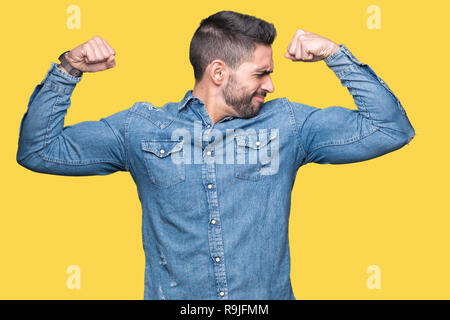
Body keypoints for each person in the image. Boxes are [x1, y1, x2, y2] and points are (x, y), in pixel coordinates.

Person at [16, 10, 415, 300]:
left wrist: (335, 53)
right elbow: (39, 150)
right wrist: (68, 69)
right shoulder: (140, 128)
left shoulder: (289, 124)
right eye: (261, 73)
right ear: (219, 73)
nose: (271, 85)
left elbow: (390, 129)